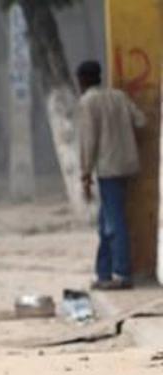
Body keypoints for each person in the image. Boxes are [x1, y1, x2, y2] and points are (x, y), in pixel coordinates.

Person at [77, 59, 145, 290]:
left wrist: (85, 174)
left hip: (108, 169)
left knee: (114, 223)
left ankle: (122, 273)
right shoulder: (118, 96)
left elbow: (89, 141)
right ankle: (103, 273)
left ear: (83, 80)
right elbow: (141, 121)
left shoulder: (88, 101)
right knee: (105, 221)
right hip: (127, 165)